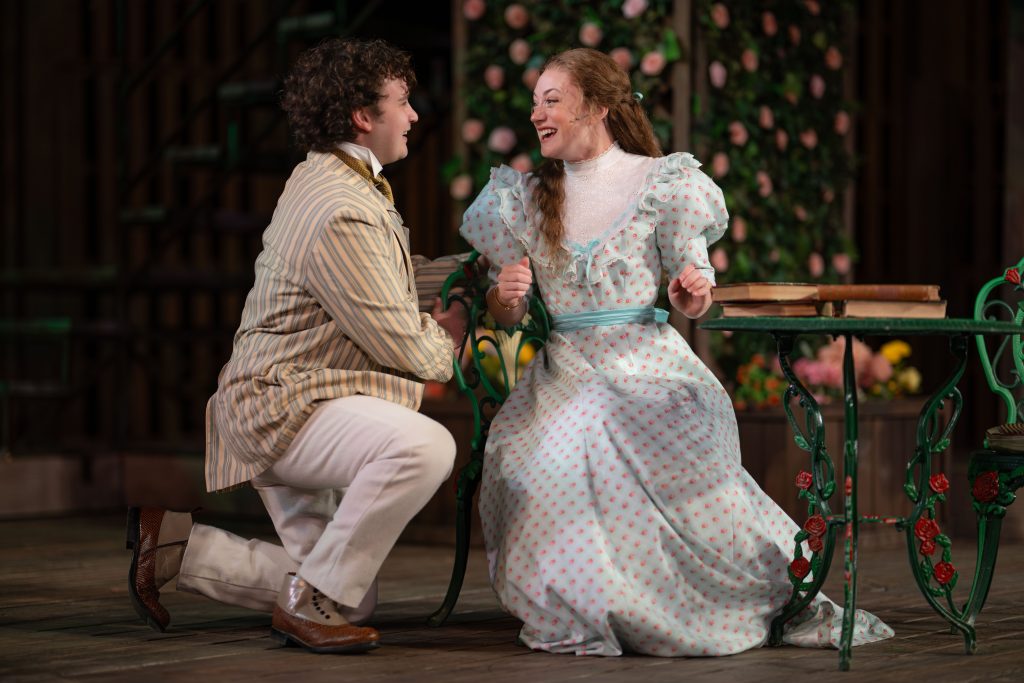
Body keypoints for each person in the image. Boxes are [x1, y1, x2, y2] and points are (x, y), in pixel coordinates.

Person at [458, 48, 893, 657]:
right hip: (566, 369)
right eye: (535, 102)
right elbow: (505, 313)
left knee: (631, 423)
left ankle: (709, 594)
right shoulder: (524, 197)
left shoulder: (664, 182)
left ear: (598, 107)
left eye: (552, 100)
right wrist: (505, 297)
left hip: (646, 360)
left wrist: (692, 294)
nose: (537, 114)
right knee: (573, 431)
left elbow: (695, 292)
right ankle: (599, 599)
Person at [126, 38, 468, 654]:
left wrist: (469, 274)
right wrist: (451, 336)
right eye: (402, 101)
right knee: (424, 445)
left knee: (349, 597)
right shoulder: (340, 206)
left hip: (305, 394)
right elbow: (399, 340)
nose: (414, 115)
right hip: (287, 404)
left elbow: (382, 280)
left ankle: (180, 549)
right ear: (362, 116)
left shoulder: (332, 177)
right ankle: (307, 604)